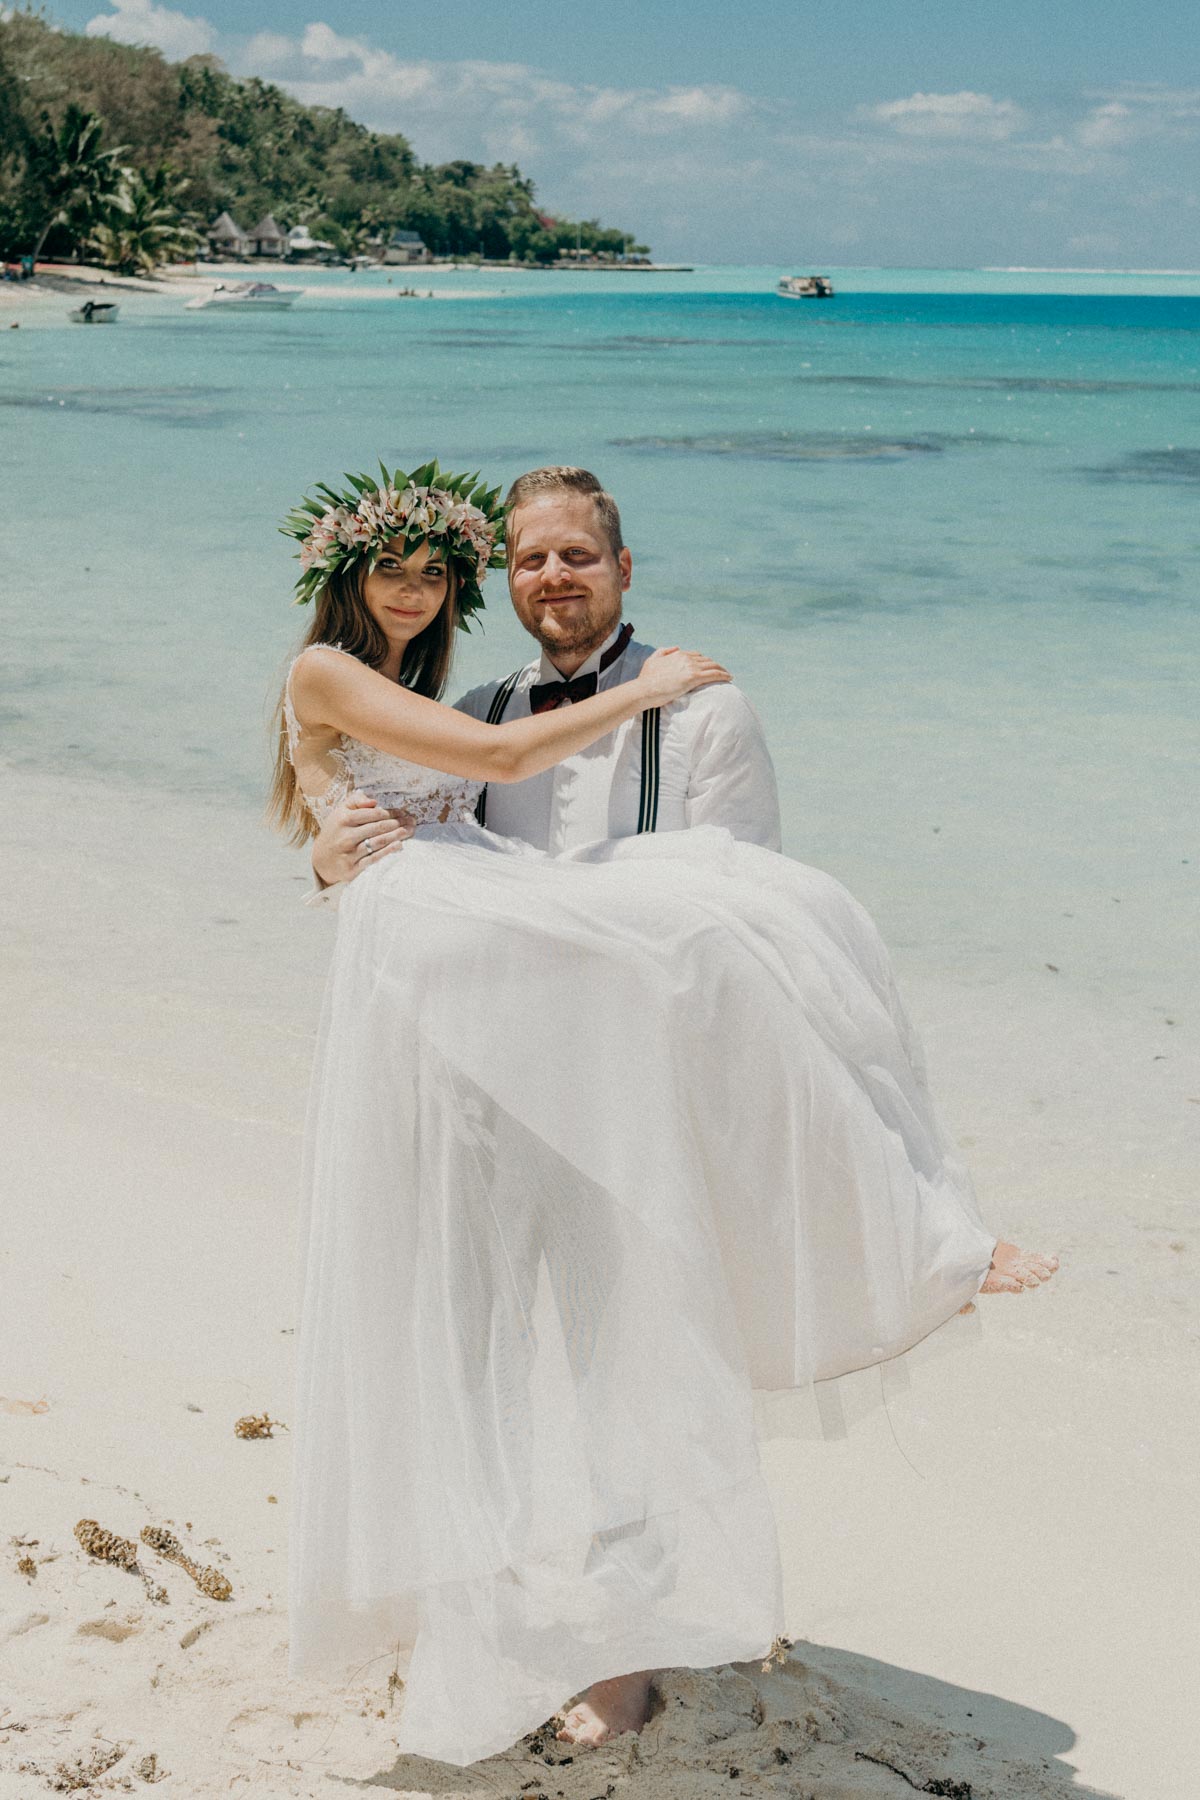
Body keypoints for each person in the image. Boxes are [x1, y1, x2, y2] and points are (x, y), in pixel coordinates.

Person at [277, 461, 1055, 1768]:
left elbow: (747, 920)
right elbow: (410, 853)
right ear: (504, 581)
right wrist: (323, 854)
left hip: (631, 1107)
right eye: (529, 559)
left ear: (623, 569)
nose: (554, 578)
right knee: (470, 1359)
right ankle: (484, 1616)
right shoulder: (478, 706)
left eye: (578, 555)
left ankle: (630, 1652)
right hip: (480, 1088)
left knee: (624, 1369)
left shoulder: (701, 708)